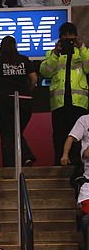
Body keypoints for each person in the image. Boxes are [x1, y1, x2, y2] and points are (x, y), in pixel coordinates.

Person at [40, 22, 89, 165]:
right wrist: (56, 53)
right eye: (65, 37)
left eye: (71, 37)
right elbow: (45, 72)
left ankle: (79, 164)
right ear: (60, 38)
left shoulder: (82, 52)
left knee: (79, 135)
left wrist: (81, 47)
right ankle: (60, 162)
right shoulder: (53, 53)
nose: (68, 40)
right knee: (59, 135)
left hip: (79, 102)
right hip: (59, 102)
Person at [0, 35, 37, 168]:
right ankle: (25, 158)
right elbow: (33, 79)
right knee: (15, 132)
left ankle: (11, 163)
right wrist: (28, 92)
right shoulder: (24, 59)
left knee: (7, 134)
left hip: (5, 100)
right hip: (25, 101)